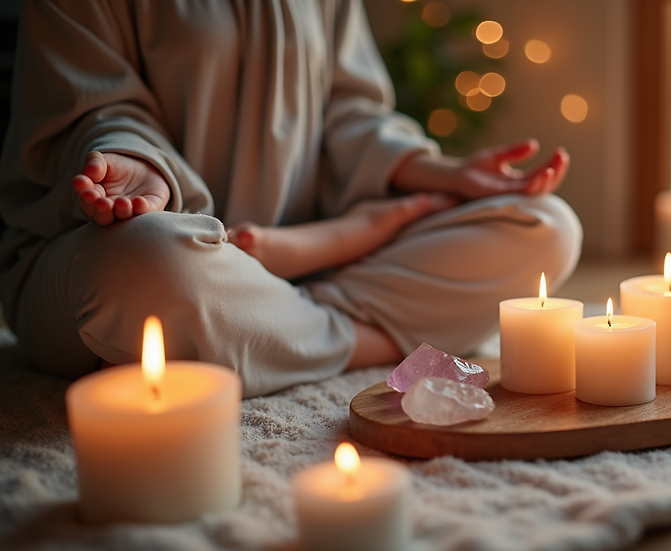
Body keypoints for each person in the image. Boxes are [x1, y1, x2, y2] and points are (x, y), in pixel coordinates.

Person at [0, 0, 581, 397]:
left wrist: (438, 172)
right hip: (138, 253)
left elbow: (350, 110)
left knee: (545, 226)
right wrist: (138, 165)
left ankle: (249, 318)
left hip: (307, 256)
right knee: (143, 264)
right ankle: (330, 324)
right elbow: (93, 107)